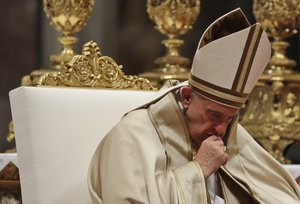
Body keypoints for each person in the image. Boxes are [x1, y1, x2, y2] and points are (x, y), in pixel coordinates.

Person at [88, 8, 300, 203]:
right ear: (187, 97)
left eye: (230, 118)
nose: (221, 130)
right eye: (214, 115)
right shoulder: (133, 134)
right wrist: (199, 169)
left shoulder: (228, 132)